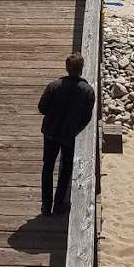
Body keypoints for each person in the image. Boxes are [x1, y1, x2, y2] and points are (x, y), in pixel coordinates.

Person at [38, 53, 96, 217]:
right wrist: (75, 129)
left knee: (48, 167)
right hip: (69, 135)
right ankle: (58, 205)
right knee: (66, 169)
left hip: (50, 132)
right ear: (81, 69)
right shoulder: (87, 91)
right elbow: (87, 116)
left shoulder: (54, 86)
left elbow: (42, 108)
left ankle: (45, 205)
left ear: (66, 68)